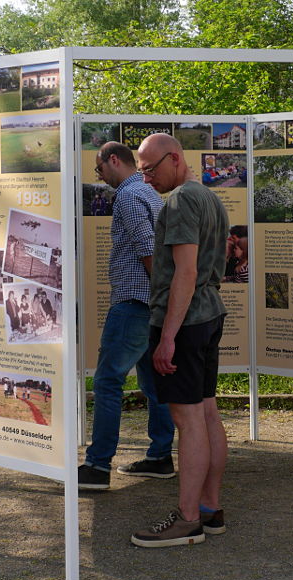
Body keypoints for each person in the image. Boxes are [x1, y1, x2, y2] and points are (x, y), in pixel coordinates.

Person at [130, 133, 229, 548]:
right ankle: (210, 508)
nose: (146, 178)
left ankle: (188, 520)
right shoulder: (209, 198)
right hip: (208, 315)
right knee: (206, 414)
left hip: (186, 324)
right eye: (140, 171)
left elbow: (185, 273)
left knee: (188, 422)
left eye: (151, 169)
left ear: (174, 159)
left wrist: (167, 336)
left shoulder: (180, 201)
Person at [78, 141, 175, 491]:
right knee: (153, 385)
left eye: (99, 169)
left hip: (134, 303)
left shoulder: (130, 197)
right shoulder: (150, 194)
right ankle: (160, 457)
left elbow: (148, 250)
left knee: (107, 383)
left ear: (113, 160)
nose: (99, 176)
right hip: (151, 306)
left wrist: (160, 296)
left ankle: (97, 466)